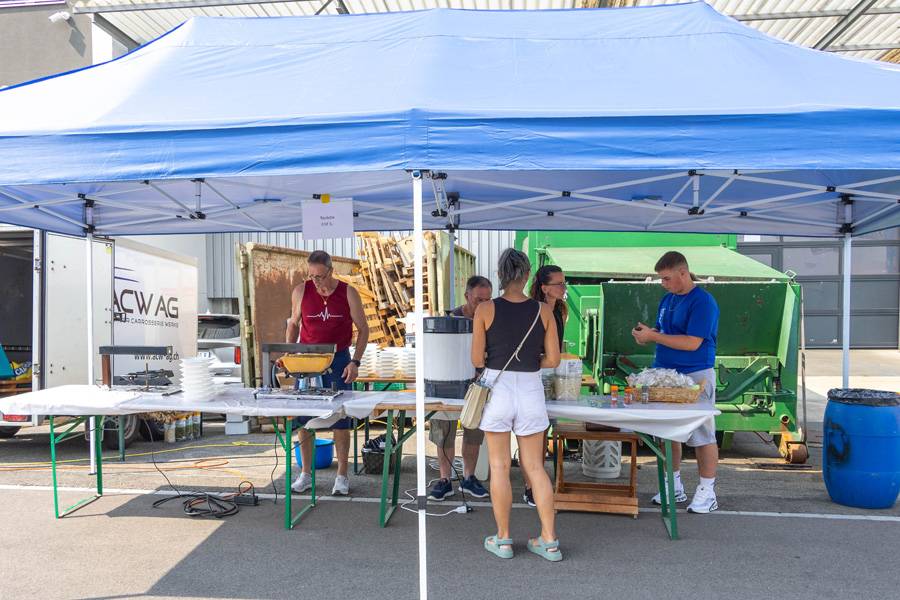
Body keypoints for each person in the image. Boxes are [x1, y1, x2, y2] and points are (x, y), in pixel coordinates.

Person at [472, 248, 562, 561]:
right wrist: (531, 358)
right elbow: (552, 359)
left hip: (497, 387)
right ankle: (549, 540)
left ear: (500, 275)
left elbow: (475, 359)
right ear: (526, 276)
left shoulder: (485, 309)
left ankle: (504, 538)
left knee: (498, 466)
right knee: (535, 467)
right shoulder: (544, 311)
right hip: (530, 387)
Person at [631, 251, 720, 514]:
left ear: (683, 273)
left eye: (667, 278)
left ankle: (707, 491)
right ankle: (674, 485)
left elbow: (692, 343)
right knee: (668, 432)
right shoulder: (667, 300)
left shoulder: (703, 302)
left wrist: (653, 338)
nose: (664, 284)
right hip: (666, 374)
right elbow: (667, 333)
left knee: (703, 434)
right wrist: (648, 334)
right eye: (661, 279)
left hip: (696, 375)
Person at [286, 250, 369, 496]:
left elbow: (363, 329)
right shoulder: (301, 291)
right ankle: (306, 474)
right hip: (307, 361)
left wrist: (355, 362)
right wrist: (290, 356)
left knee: (341, 419)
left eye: (320, 277)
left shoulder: (348, 293)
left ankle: (342, 476)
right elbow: (293, 323)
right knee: (304, 419)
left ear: (331, 271)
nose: (316, 282)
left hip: (339, 359)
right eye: (311, 276)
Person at [428, 276, 493, 500]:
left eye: (487, 300)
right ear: (467, 296)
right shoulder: (451, 319)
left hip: (478, 385)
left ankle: (469, 478)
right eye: (478, 300)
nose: (483, 305)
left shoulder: (492, 319)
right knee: (443, 431)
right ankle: (445, 479)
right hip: (446, 385)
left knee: (473, 431)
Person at [519, 265, 568, 507]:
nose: (564, 287)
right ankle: (530, 487)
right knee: (534, 436)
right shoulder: (532, 310)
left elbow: (557, 347)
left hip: (551, 375)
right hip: (532, 375)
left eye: (564, 282)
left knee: (544, 432)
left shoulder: (559, 310)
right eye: (559, 283)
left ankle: (538, 485)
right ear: (544, 287)